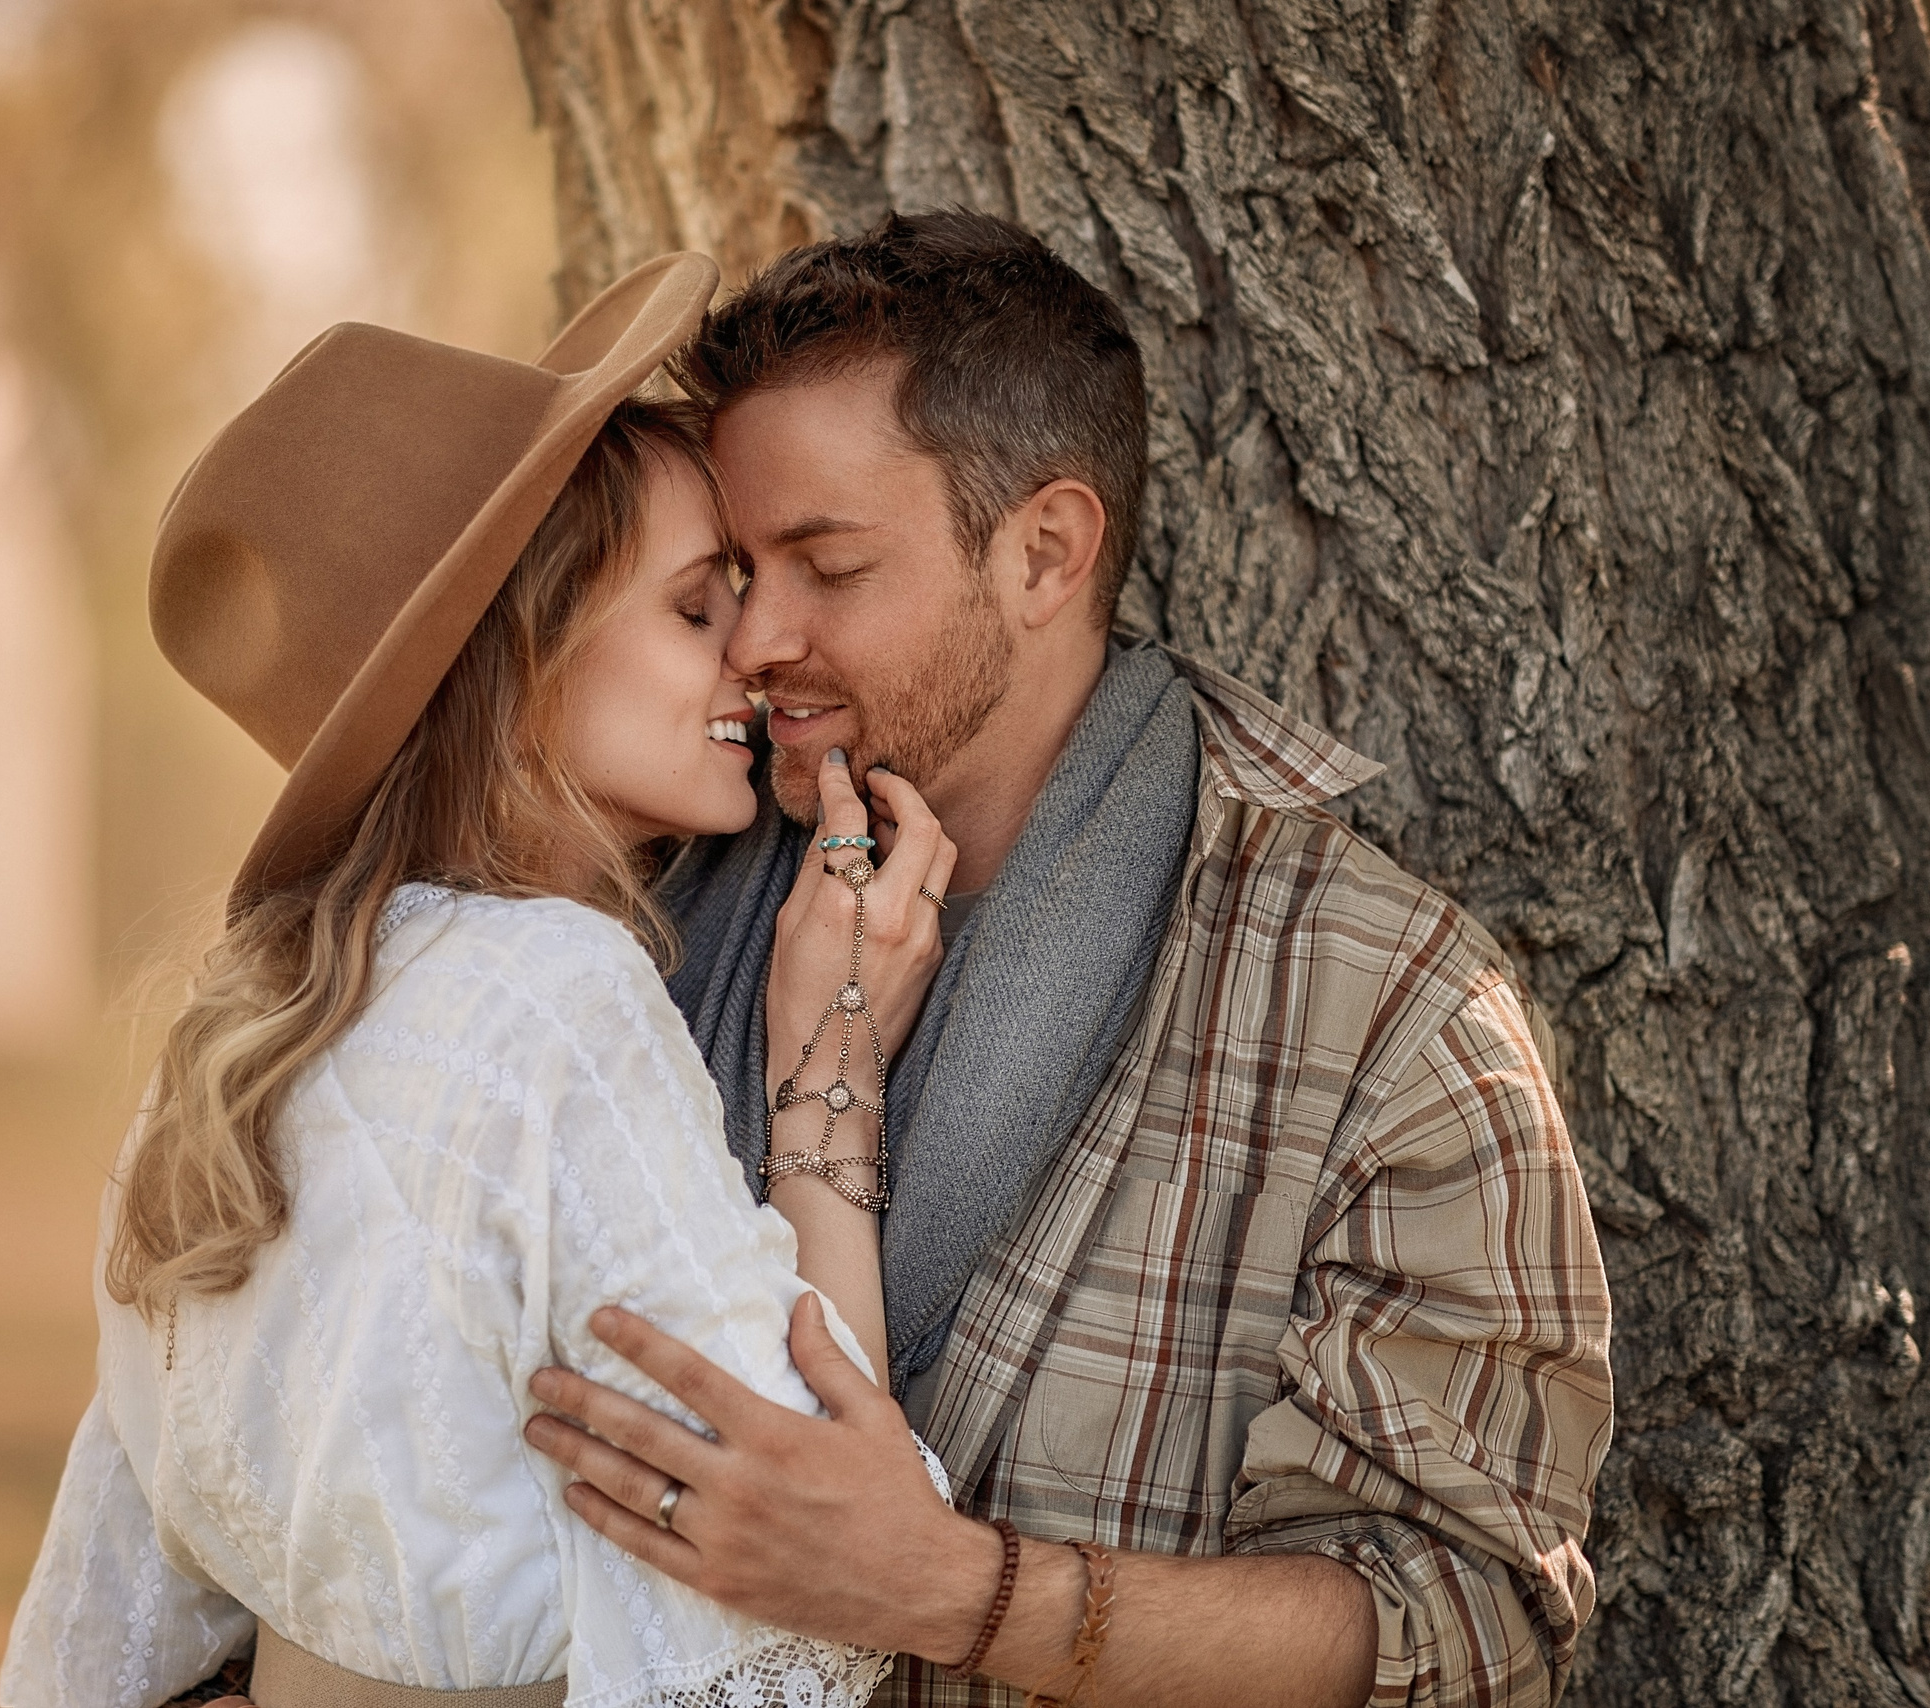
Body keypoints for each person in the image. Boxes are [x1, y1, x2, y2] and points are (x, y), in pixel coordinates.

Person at [519, 213, 1617, 1708]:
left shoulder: (1381, 1011)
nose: (756, 639)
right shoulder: (622, 902)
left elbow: (1474, 1628)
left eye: (826, 565)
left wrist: (949, 1591)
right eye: (730, 574)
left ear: (1044, 553)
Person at [0, 253, 963, 1708]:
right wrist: (827, 1065)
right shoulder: (551, 997)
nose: (756, 656)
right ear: (521, 675)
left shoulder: (246, 1028)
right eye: (700, 607)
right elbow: (801, 1552)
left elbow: (111, 1599)